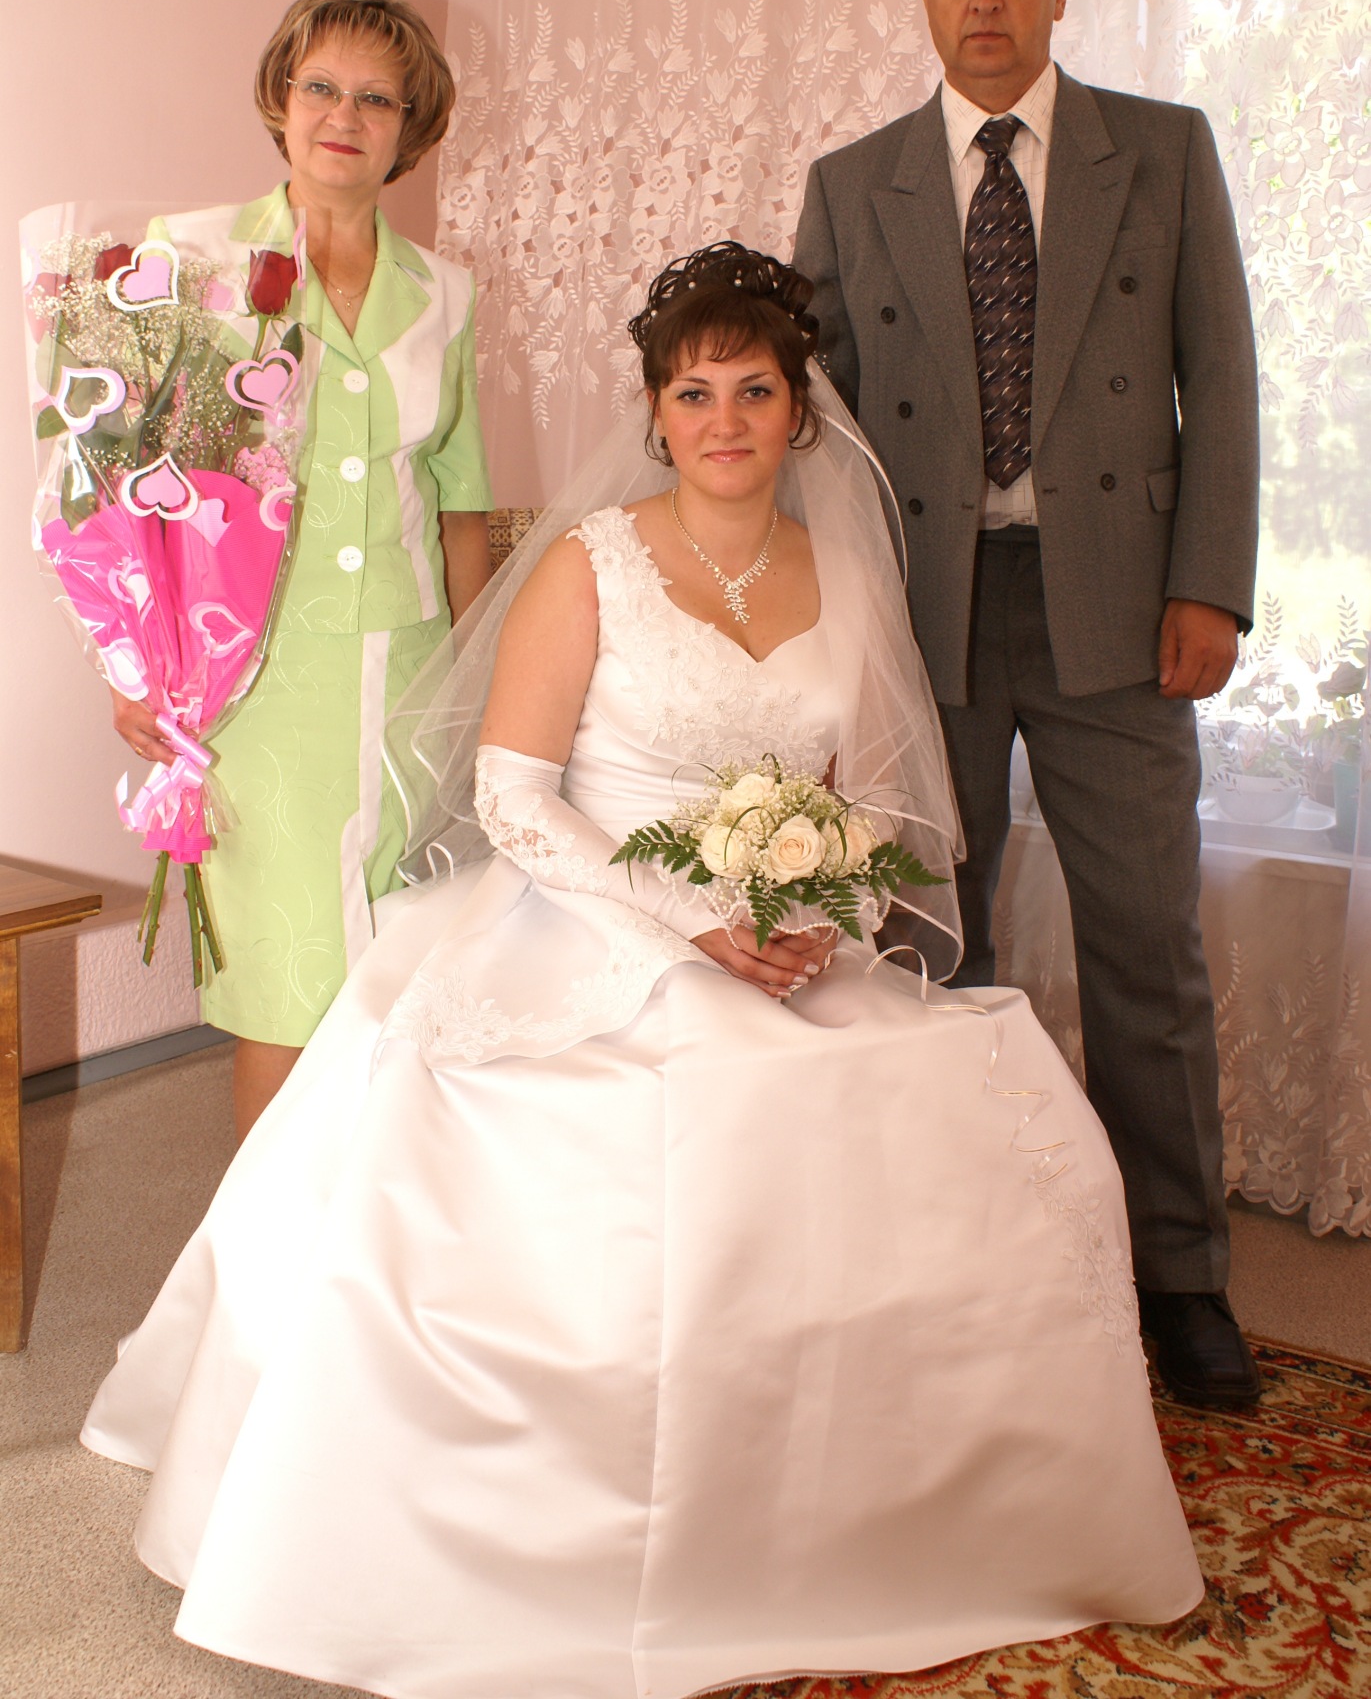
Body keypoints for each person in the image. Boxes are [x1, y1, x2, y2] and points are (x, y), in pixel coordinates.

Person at [83, 244, 1202, 1699]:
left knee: (998, 1120)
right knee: (613, 1141)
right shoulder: (591, 560)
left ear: (799, 412)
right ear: (656, 414)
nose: (724, 419)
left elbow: (871, 799)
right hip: (589, 909)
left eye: (755, 391)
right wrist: (685, 921)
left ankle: (884, 1508)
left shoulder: (849, 575)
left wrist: (825, 908)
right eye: (693, 393)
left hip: (780, 933)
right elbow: (513, 795)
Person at [793, 0, 1261, 1411]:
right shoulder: (851, 182)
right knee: (927, 940)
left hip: (1117, 603)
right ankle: (954, 1253)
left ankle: (1178, 1275)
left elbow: (1221, 380)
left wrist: (1208, 582)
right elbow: (809, 410)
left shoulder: (1161, 151)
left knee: (1144, 943)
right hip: (920, 607)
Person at [111, 0, 493, 1140]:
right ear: (280, 97)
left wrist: (476, 690)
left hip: (409, 673)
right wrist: (133, 667)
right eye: (321, 85)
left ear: (412, 128)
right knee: (286, 983)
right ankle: (268, 1244)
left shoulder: (447, 294)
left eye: (379, 98)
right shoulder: (192, 257)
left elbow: (458, 505)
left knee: (404, 970)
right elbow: (126, 487)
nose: (345, 114)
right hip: (253, 679)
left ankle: (376, 1222)